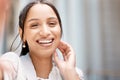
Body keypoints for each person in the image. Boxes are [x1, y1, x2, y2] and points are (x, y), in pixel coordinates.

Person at [0, 0, 84, 80]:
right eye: (35, 25)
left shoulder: (73, 73)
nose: (45, 32)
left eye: (52, 24)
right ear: (22, 34)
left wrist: (70, 74)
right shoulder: (13, 64)